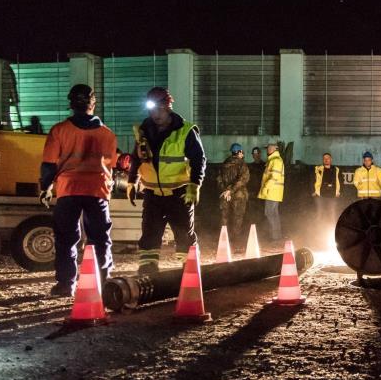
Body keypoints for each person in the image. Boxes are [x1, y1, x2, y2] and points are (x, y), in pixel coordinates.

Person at [39, 85, 117, 296]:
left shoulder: (59, 130)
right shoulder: (107, 134)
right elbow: (111, 165)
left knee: (66, 238)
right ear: (94, 103)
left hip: (69, 189)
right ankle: (102, 282)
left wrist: (45, 187)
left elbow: (49, 163)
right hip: (97, 190)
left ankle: (66, 284)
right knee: (99, 238)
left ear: (71, 104)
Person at [127, 87, 206, 274]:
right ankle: (148, 269)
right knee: (149, 234)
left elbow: (199, 159)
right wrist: (132, 180)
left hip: (179, 193)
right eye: (151, 110)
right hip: (152, 195)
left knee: (184, 233)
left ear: (168, 107)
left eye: (159, 109)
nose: (155, 114)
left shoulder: (185, 131)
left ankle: (190, 270)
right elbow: (137, 158)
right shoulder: (143, 131)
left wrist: (195, 184)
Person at [216, 143, 250, 244]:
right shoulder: (242, 164)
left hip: (224, 195)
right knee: (238, 217)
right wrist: (231, 190)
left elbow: (218, 179)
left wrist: (225, 191)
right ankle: (235, 240)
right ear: (239, 152)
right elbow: (243, 179)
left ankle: (223, 239)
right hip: (238, 195)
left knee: (224, 217)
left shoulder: (224, 164)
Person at [258, 142, 285, 242]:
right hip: (272, 192)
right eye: (267, 148)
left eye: (269, 148)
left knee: (270, 213)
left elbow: (274, 177)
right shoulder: (273, 160)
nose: (267, 150)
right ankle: (275, 236)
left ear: (274, 149)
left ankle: (275, 237)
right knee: (273, 214)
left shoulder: (276, 161)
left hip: (272, 192)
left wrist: (265, 188)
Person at [313, 153, 342, 229]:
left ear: (331, 159)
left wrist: (338, 192)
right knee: (319, 216)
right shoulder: (318, 169)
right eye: (324, 158)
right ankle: (318, 232)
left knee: (332, 217)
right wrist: (314, 191)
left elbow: (341, 181)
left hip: (332, 196)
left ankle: (333, 232)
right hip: (321, 196)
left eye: (328, 158)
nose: (326, 160)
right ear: (323, 160)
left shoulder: (336, 170)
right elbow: (313, 180)